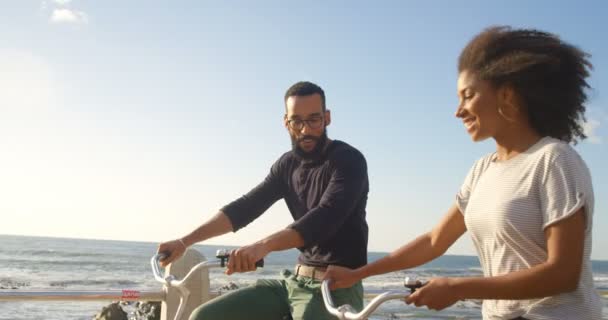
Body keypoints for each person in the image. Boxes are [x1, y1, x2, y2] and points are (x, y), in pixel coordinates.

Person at [324, 26, 603, 320]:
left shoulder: (554, 160)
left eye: (468, 96)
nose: (459, 111)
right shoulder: (482, 170)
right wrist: (359, 273)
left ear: (507, 95)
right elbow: (435, 241)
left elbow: (563, 274)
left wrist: (458, 288)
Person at [157, 81, 370, 320]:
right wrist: (185, 242)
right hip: (294, 282)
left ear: (327, 118)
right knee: (204, 316)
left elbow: (323, 219)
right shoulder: (287, 165)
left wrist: (262, 247)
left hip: (335, 288)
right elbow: (246, 207)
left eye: (314, 120)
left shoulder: (349, 161)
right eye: (296, 121)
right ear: (286, 123)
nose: (305, 130)